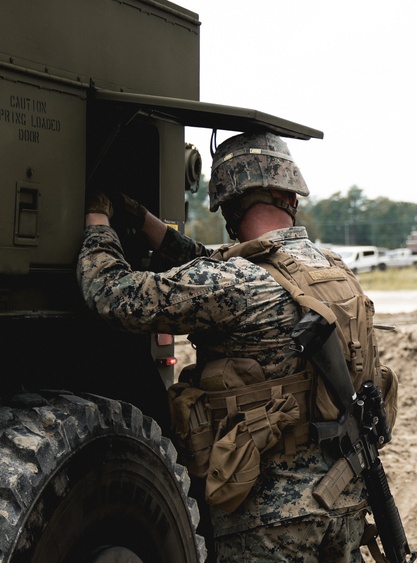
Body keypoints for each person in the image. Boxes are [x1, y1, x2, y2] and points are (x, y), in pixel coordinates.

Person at [78, 131, 397, 562]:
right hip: (343, 499)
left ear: (228, 206)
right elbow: (211, 265)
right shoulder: (335, 271)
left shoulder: (235, 284)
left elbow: (111, 295)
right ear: (291, 195)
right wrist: (148, 223)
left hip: (270, 518)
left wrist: (98, 220)